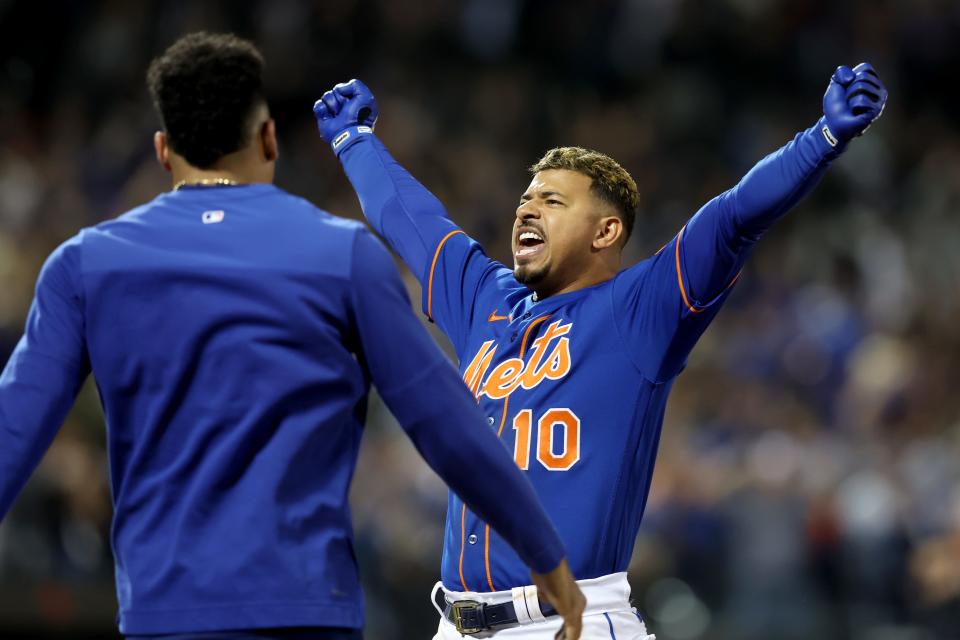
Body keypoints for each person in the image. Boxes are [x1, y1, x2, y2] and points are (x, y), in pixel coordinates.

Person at [0, 32, 588, 640]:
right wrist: (545, 556)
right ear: (268, 141)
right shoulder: (342, 254)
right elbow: (447, 424)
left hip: (163, 616)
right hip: (306, 614)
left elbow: (12, 430)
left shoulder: (86, 265)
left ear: (162, 151)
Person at [313, 63, 888, 639]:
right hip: (455, 624)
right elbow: (411, 220)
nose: (525, 210)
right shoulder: (485, 304)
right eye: (525, 198)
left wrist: (823, 138)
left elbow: (735, 218)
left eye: (552, 201)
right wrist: (353, 141)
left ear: (606, 232)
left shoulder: (639, 311)